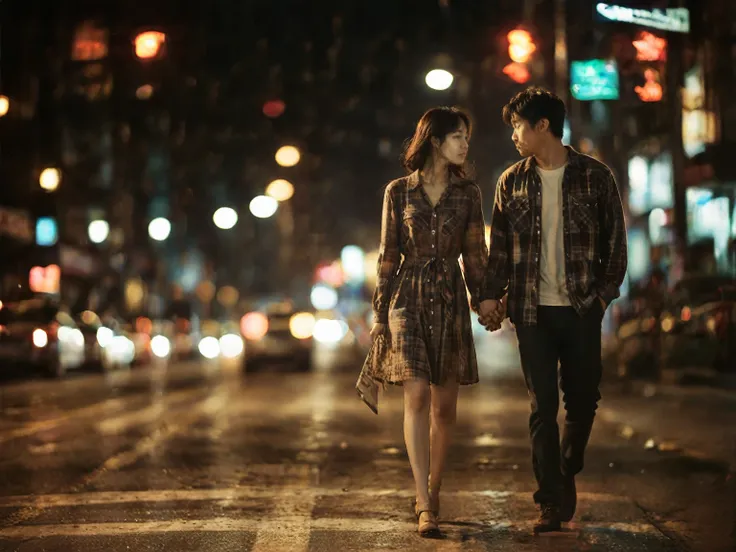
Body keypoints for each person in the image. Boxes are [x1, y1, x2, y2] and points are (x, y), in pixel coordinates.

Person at [479, 87, 628, 533]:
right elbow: (500, 250)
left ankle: (567, 468)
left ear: (543, 126)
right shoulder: (511, 181)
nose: (513, 136)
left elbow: (615, 247)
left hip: (582, 308)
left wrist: (603, 296)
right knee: (541, 407)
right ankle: (549, 500)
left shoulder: (596, 177)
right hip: (531, 311)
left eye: (518, 126)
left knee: (583, 398)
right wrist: (490, 295)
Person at [358, 106, 499, 537]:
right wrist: (380, 313)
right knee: (416, 395)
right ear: (435, 141)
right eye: (457, 136)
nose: (465, 144)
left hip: (450, 297)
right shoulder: (398, 192)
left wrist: (485, 301)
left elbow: (475, 256)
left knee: (445, 405)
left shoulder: (468, 194)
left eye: (466, 137)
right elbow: (388, 256)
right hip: (407, 297)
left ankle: (434, 489)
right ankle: (423, 499)